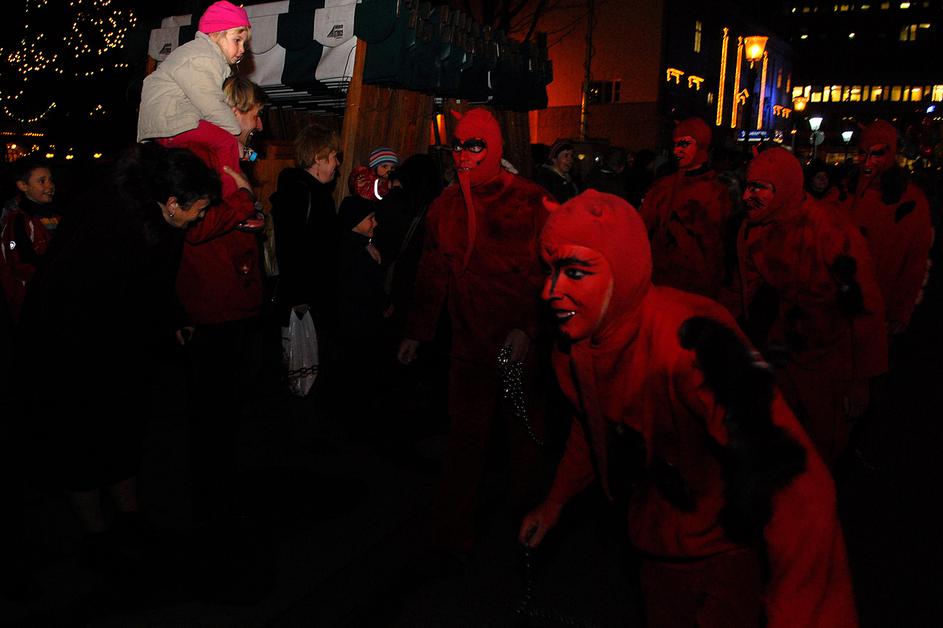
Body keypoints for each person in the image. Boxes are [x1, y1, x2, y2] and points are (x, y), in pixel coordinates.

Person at [519, 190, 857, 628]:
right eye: (550, 271)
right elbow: (593, 426)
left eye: (576, 272)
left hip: (725, 549)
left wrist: (802, 611)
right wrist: (555, 501)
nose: (551, 291)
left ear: (622, 269)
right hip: (654, 544)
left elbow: (796, 481)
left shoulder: (694, 340)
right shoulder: (573, 348)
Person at [18, 144, 221, 570]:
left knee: (123, 433)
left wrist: (172, 318)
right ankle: (97, 537)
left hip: (116, 347)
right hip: (71, 350)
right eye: (199, 209)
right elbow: (83, 298)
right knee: (81, 444)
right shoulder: (112, 225)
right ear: (172, 202)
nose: (200, 217)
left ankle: (131, 520)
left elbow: (153, 285)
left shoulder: (158, 220)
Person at [398, 108, 550, 559]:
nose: (464, 154)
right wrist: (417, 331)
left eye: (475, 145)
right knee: (465, 442)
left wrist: (528, 327)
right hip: (468, 347)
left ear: (494, 147)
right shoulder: (445, 206)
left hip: (516, 347)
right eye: (458, 145)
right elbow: (432, 271)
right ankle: (451, 537)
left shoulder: (530, 202)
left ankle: (531, 528)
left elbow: (551, 271)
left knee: (525, 440)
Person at [729, 147, 887, 465]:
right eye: (747, 185)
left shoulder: (832, 230)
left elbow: (863, 304)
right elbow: (743, 290)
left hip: (831, 357)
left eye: (759, 188)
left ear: (784, 188)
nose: (747, 196)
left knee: (824, 447)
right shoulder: (753, 229)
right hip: (783, 349)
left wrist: (862, 378)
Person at [159, 75, 268, 526]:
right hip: (212, 308)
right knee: (212, 417)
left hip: (230, 302)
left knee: (226, 413)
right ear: (233, 110)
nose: (259, 125)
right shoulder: (199, 156)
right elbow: (196, 226)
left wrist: (249, 215)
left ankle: (221, 498)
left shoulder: (222, 153)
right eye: (255, 114)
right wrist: (243, 201)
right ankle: (211, 512)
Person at [839, 119, 933, 337]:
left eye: (877, 153)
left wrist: (901, 312)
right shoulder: (845, 192)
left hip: (882, 307)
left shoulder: (911, 200)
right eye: (863, 153)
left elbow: (916, 261)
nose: (868, 161)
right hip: (839, 308)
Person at [270, 123, 342, 397]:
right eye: (333, 157)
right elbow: (291, 248)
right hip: (305, 301)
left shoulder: (315, 193)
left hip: (314, 298)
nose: (337, 164)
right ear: (317, 158)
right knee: (303, 373)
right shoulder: (301, 193)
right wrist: (299, 298)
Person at [639, 117, 733, 300]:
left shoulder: (719, 190)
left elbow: (722, 243)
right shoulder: (664, 187)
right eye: (675, 144)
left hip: (699, 287)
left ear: (701, 145)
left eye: (684, 144)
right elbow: (643, 226)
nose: (677, 150)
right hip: (662, 283)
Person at [137, 0, 250, 144]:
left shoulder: (205, 55)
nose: (242, 49)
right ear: (215, 34)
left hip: (170, 122)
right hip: (172, 123)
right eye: (237, 40)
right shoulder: (203, 57)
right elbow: (210, 103)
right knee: (226, 143)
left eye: (244, 43)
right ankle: (237, 159)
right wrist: (235, 129)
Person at [0, 158, 60, 321]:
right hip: (31, 302)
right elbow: (20, 264)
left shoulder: (56, 214)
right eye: (42, 181)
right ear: (23, 186)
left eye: (51, 180)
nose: (50, 186)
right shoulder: (18, 221)